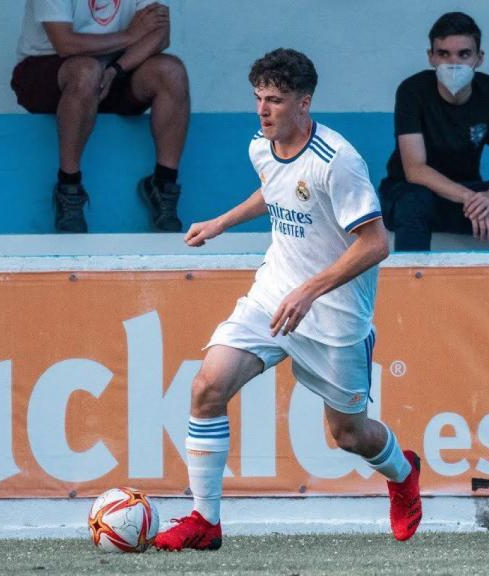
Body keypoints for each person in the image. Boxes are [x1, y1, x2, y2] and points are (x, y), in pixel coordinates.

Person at [153, 48, 422, 551]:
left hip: (335, 319)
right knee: (206, 387)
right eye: (258, 98)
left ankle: (403, 473)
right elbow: (275, 191)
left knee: (348, 435)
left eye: (274, 100)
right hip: (272, 296)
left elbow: (376, 243)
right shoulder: (261, 144)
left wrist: (309, 290)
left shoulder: (338, 161)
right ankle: (204, 521)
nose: (263, 110)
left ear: (304, 103)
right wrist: (220, 222)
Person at [380, 12, 489, 252]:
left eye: (464, 54)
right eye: (444, 54)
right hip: (416, 195)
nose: (454, 63)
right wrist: (471, 199)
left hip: (469, 193)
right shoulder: (412, 91)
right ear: (431, 57)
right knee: (413, 201)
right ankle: (412, 288)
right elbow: (415, 170)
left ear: (479, 58)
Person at [11, 0, 190, 233]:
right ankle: (69, 187)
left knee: (172, 71)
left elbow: (160, 35)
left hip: (114, 69)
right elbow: (64, 43)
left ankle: (163, 184)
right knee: (86, 72)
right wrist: (130, 35)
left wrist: (116, 70)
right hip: (48, 69)